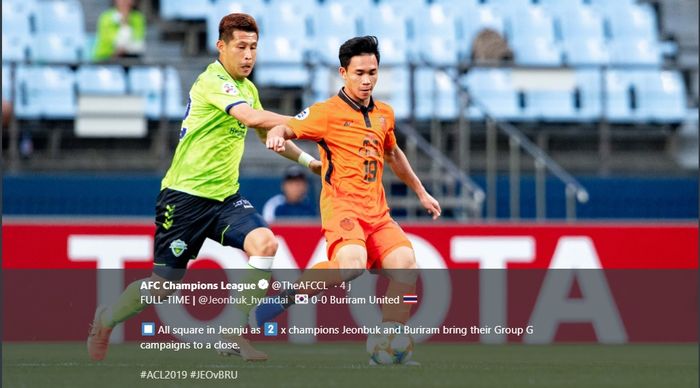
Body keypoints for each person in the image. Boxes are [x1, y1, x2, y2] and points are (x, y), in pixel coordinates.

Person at [87, 13, 321, 362]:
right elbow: (252, 119)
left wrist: (310, 163)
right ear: (221, 46)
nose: (248, 56)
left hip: (225, 198)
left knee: (265, 243)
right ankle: (106, 319)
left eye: (254, 48)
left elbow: (265, 133)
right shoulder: (211, 81)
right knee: (163, 287)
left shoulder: (249, 88)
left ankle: (234, 333)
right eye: (241, 47)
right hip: (184, 198)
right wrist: (312, 121)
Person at [257, 36, 441, 362]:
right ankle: (287, 296)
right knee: (352, 265)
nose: (367, 79)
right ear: (344, 73)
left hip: (378, 214)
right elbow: (288, 127)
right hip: (342, 206)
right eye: (359, 73)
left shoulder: (385, 113)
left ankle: (388, 343)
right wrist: (276, 133)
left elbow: (394, 153)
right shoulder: (325, 113)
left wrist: (421, 191)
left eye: (372, 71)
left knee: (406, 265)